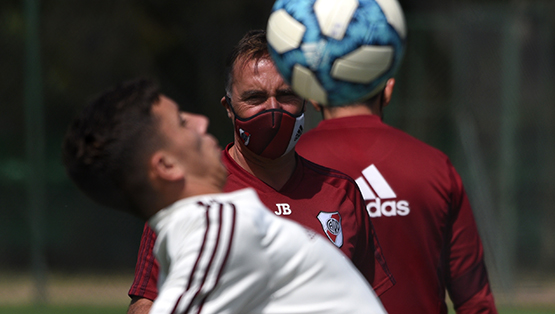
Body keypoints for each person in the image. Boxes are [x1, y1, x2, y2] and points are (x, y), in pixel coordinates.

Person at [62, 78, 387, 314]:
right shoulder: (216, 225)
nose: (202, 122)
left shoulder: (219, 225)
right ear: (166, 165)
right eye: (181, 122)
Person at [127, 30, 394, 313]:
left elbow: (368, 302)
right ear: (228, 108)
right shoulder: (185, 194)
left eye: (285, 95)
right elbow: (146, 303)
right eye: (255, 98)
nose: (273, 110)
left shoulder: (341, 192)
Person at [296, 76, 498, 313]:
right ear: (389, 88)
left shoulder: (286, 167)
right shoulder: (435, 166)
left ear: (314, 97)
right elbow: (475, 300)